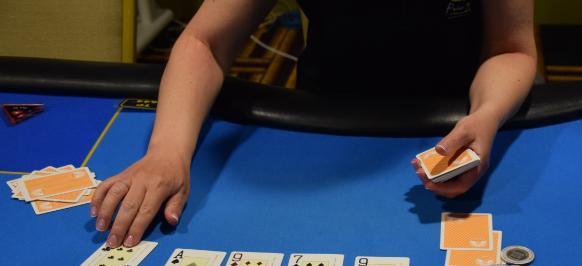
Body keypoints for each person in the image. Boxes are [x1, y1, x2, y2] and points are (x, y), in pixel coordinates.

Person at [91, 0, 537, 247]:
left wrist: (487, 114)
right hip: (322, 115)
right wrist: (167, 150)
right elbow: (204, 41)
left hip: (453, 120)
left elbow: (510, 49)